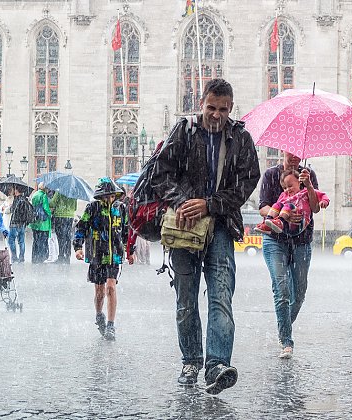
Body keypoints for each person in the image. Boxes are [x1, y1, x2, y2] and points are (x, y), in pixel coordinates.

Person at [150, 78, 260, 394]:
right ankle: (191, 361)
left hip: (222, 227)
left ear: (231, 108)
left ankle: (217, 365)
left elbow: (247, 182)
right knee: (186, 299)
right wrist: (183, 202)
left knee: (221, 297)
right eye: (211, 108)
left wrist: (210, 204)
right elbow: (161, 174)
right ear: (202, 103)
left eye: (223, 109)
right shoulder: (184, 132)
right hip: (184, 227)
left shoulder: (240, 137)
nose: (216, 115)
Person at [259, 151, 327, 359]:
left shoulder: (308, 174)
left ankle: (284, 324)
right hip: (275, 238)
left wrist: (308, 186)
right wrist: (283, 214)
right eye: (291, 153)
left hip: (301, 241)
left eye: (299, 153)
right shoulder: (271, 175)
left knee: (299, 293)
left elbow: (314, 208)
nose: (296, 157)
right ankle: (286, 341)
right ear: (282, 151)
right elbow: (263, 207)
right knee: (281, 290)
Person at [73, 177, 132, 341]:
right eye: (106, 196)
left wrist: (130, 250)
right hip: (96, 255)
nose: (109, 199)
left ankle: (111, 325)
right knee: (99, 293)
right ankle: (99, 315)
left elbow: (126, 230)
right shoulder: (92, 208)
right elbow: (81, 227)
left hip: (115, 255)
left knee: (111, 288)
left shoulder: (121, 208)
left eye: (112, 195)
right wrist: (78, 248)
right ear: (100, 196)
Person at [255, 169, 330, 236]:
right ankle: (268, 223)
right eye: (284, 188)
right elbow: (277, 208)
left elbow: (322, 195)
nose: (287, 189)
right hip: (286, 226)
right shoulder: (284, 195)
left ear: (299, 182)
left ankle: (279, 222)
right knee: (277, 204)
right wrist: (281, 214)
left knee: (289, 206)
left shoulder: (305, 191)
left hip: (300, 222)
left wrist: (324, 201)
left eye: (290, 186)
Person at [49, 191, 77, 264]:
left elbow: (52, 203)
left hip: (60, 216)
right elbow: (75, 207)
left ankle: (61, 256)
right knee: (68, 236)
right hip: (70, 216)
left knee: (61, 237)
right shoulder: (74, 192)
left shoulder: (60, 191)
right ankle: (67, 256)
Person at [29, 183, 52, 264]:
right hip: (43, 223)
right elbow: (46, 208)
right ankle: (41, 257)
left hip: (35, 222)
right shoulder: (44, 196)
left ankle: (35, 258)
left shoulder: (34, 194)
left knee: (36, 240)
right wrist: (50, 214)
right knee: (43, 241)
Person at [7, 186, 30, 263]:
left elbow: (12, 210)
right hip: (22, 224)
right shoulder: (24, 200)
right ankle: (21, 257)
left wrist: (11, 206)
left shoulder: (16, 200)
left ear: (16, 191)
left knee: (11, 241)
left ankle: (14, 257)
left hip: (14, 224)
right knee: (21, 241)